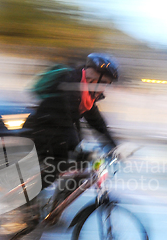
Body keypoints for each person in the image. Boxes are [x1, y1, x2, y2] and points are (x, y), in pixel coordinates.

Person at [24, 53, 120, 188]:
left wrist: (114, 146)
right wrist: (77, 146)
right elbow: (65, 120)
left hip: (58, 134)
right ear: (92, 78)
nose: (104, 88)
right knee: (58, 167)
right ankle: (29, 200)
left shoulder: (86, 95)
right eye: (103, 83)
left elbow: (97, 123)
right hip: (42, 131)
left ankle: (61, 198)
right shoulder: (70, 85)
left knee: (82, 162)